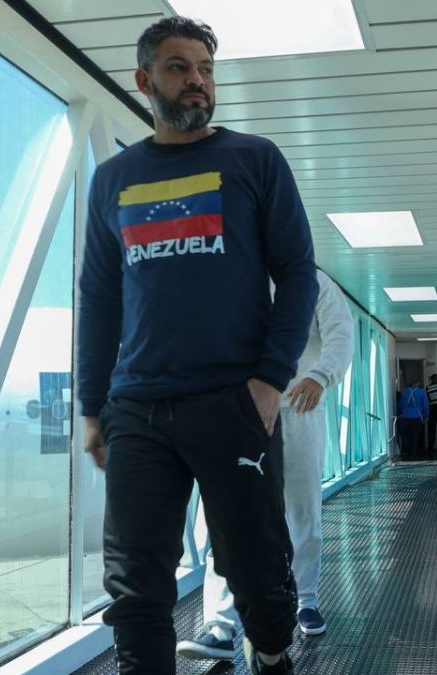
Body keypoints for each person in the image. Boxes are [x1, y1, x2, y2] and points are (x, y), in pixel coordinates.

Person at [77, 16, 318, 675]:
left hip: (233, 401)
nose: (198, 82)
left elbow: (298, 272)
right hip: (138, 408)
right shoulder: (113, 179)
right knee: (135, 586)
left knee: (258, 572)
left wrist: (269, 380)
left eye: (206, 70)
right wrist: (93, 406)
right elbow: (98, 297)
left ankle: (271, 652)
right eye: (179, 67)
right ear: (144, 80)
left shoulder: (254, 160)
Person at [178, 269, 354, 662]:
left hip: (299, 408)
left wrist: (320, 376)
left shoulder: (315, 282)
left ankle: (305, 600)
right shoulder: (232, 275)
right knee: (229, 517)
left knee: (302, 511)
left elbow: (341, 334)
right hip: (243, 412)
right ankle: (220, 625)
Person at [398, 379, 430, 459]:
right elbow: (425, 405)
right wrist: (426, 415)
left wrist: (401, 412)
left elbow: (401, 404)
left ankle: (407, 453)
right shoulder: (422, 392)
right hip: (417, 416)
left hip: (405, 416)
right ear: (418, 383)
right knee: (415, 436)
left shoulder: (405, 391)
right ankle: (413, 454)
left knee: (407, 436)